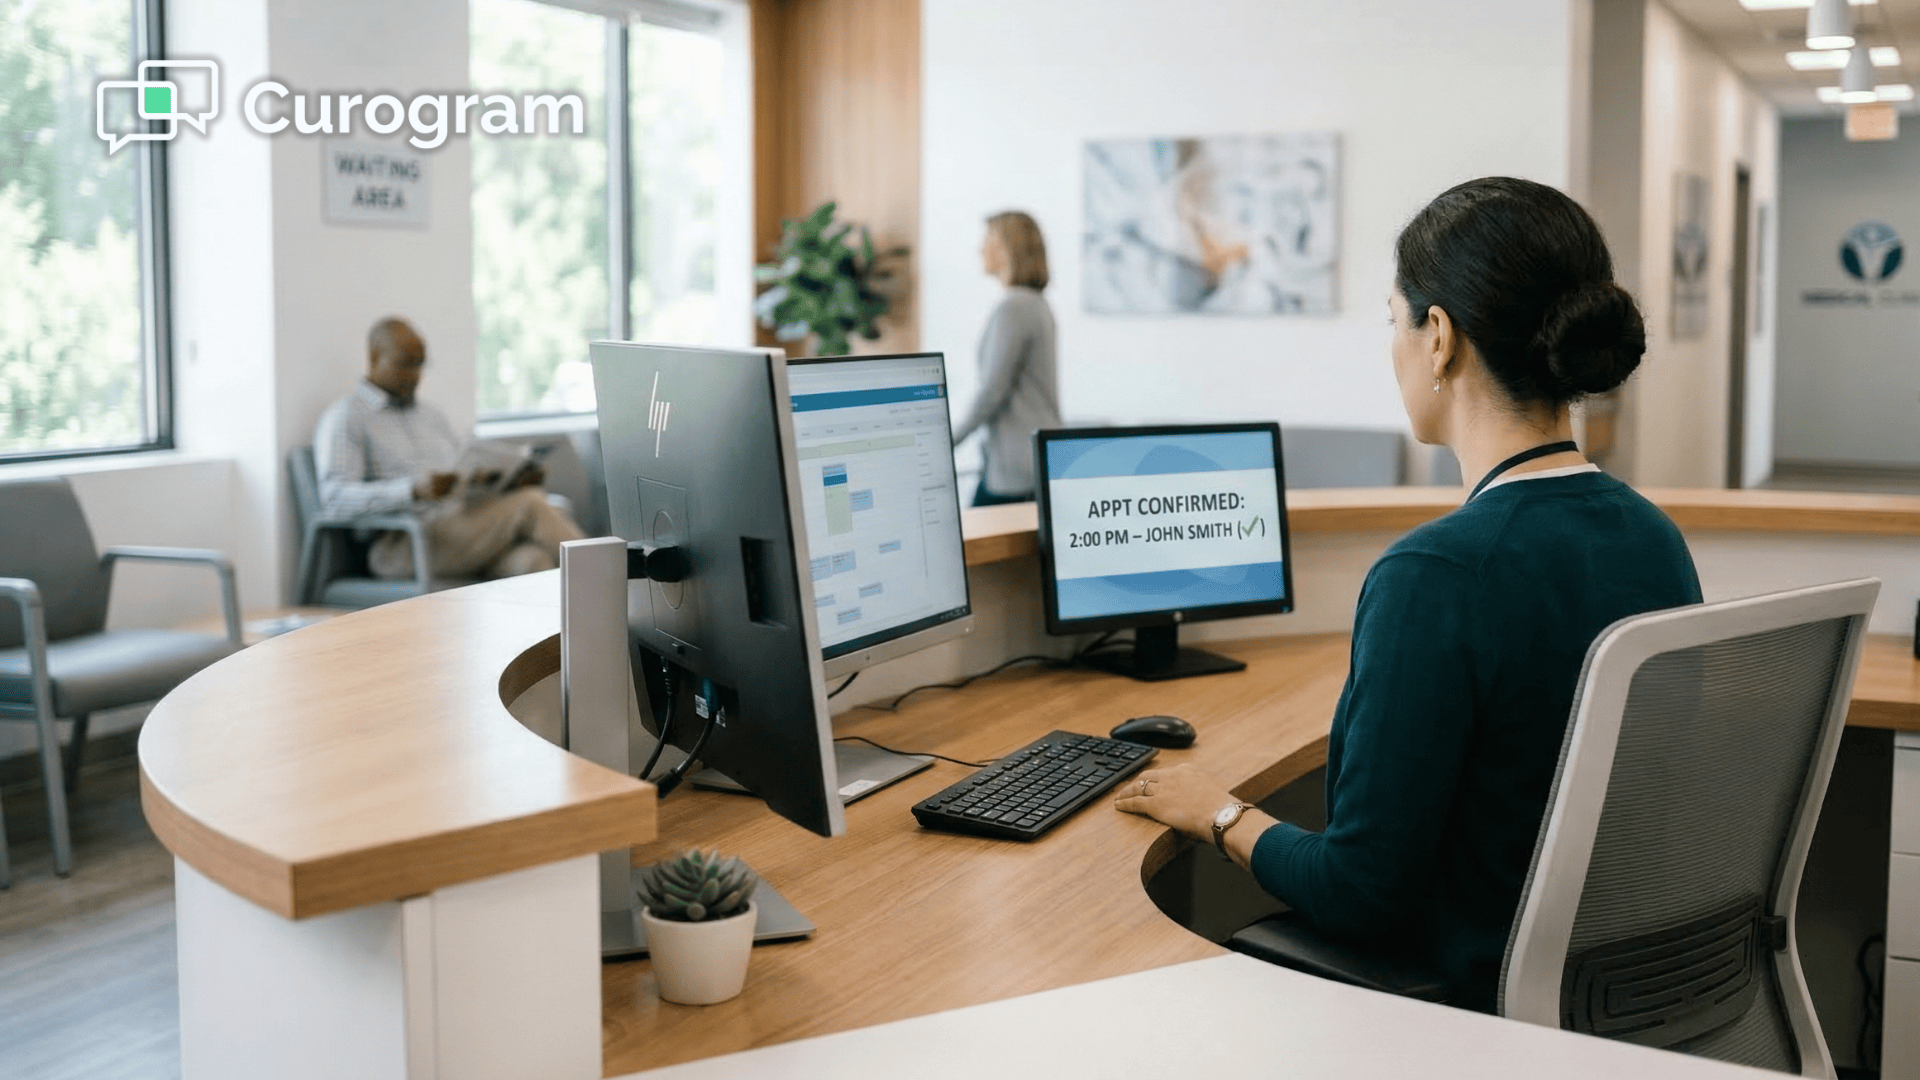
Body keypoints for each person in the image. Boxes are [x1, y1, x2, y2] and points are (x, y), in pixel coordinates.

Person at [1114, 177, 1703, 1012]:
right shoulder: (1653, 537)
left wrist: (1217, 813)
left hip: (1477, 998)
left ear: (1439, 338)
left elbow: (1360, 892)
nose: (1392, 349)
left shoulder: (1436, 574)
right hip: (1620, 984)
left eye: (1393, 321)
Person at [314, 316, 584, 580]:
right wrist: (413, 490)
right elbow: (335, 499)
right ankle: (615, 577)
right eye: (406, 365)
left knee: (533, 562)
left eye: (420, 365)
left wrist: (500, 481)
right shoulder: (347, 418)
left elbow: (461, 469)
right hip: (403, 542)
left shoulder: (430, 416)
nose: (415, 376)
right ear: (374, 358)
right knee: (531, 504)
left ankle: (608, 618)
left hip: (460, 531)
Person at [953, 211, 1060, 506]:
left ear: (1006, 249)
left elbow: (992, 391)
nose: (979, 249)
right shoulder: (1037, 304)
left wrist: (948, 439)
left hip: (1016, 470)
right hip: (1033, 462)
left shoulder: (1014, 308)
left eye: (987, 240)